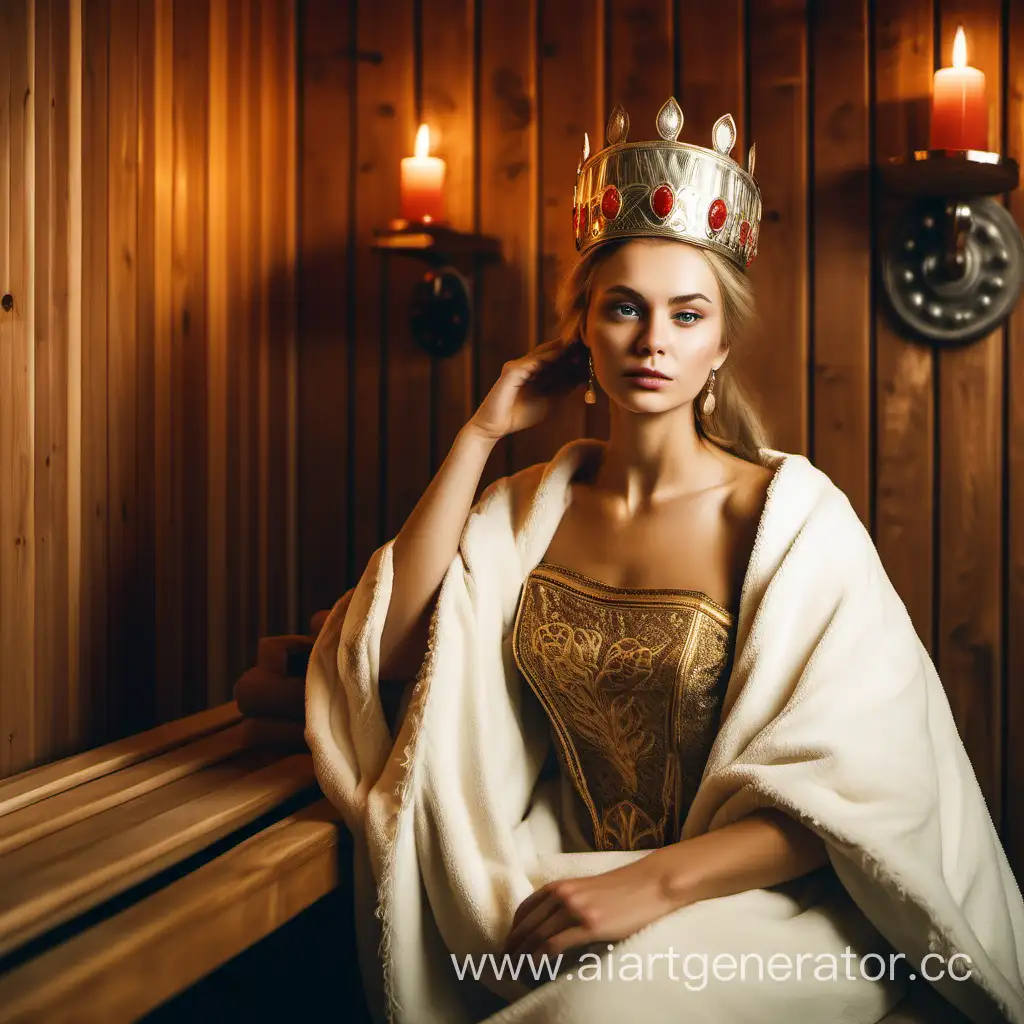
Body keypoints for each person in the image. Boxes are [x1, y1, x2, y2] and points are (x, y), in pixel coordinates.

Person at [305, 98, 1024, 1024]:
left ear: (720, 345)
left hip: (768, 904)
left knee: (600, 1014)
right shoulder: (524, 513)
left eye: (688, 316)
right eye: (625, 310)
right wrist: (483, 431)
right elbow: (391, 655)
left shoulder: (790, 520)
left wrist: (653, 887)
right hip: (563, 878)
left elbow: (863, 789)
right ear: (583, 333)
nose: (654, 340)